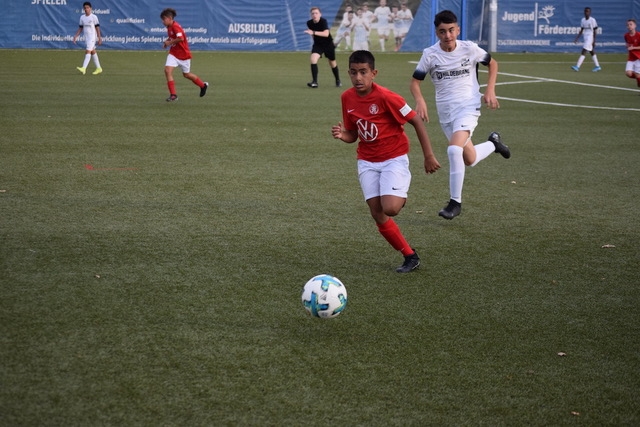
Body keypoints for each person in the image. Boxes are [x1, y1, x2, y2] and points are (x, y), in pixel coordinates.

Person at [331, 50, 440, 273]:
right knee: (377, 213)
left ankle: (398, 195)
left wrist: (428, 155)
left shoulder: (387, 97)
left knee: (390, 208)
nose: (358, 77)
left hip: (393, 159)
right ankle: (410, 256)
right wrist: (343, 135)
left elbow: (416, 121)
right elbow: (353, 134)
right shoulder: (347, 98)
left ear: (374, 73)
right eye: (353, 72)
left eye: (363, 72)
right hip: (367, 161)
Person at [409, 10, 511, 220]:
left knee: (454, 149)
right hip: (446, 113)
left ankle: (455, 202)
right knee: (469, 159)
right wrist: (420, 100)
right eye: (442, 31)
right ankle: (494, 144)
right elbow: (415, 82)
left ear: (458, 30)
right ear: (437, 33)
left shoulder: (469, 48)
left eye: (451, 30)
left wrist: (490, 89)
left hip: (468, 107)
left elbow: (492, 63)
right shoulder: (430, 54)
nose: (447, 35)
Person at [160, 8, 208, 102]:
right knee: (167, 70)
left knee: (186, 75)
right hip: (174, 53)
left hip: (183, 55)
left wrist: (170, 42)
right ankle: (173, 95)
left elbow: (181, 38)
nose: (162, 21)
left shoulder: (176, 26)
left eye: (164, 19)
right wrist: (167, 42)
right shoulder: (169, 27)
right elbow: (173, 37)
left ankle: (203, 85)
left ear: (169, 18)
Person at [305, 7, 342, 88]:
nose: (314, 15)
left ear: (320, 14)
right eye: (313, 13)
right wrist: (314, 38)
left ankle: (338, 80)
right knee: (313, 59)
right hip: (318, 44)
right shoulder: (309, 23)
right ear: (311, 15)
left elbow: (326, 34)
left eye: (316, 13)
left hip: (328, 44)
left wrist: (313, 32)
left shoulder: (323, 21)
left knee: (332, 63)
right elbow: (313, 35)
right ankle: (315, 82)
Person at [72, 2, 102, 75]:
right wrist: (76, 36)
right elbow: (80, 28)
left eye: (87, 8)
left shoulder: (94, 17)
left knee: (88, 51)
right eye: (85, 8)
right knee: (92, 51)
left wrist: (99, 37)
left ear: (90, 8)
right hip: (87, 37)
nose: (86, 9)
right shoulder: (82, 17)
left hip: (92, 37)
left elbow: (97, 28)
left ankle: (84, 68)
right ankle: (99, 68)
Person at [571, 7, 601, 72]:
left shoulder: (592, 20)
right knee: (591, 51)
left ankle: (577, 66)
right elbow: (581, 30)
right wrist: (576, 38)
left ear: (590, 12)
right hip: (585, 37)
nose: (586, 12)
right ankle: (597, 66)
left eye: (587, 11)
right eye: (585, 11)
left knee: (584, 50)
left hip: (590, 37)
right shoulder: (583, 20)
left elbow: (595, 31)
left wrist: (594, 41)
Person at [624, 18, 640, 89]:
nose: (629, 26)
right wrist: (627, 45)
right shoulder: (626, 35)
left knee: (637, 74)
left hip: (638, 58)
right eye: (628, 25)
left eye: (631, 24)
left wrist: (633, 48)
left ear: (635, 25)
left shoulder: (639, 35)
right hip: (631, 58)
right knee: (628, 73)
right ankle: (638, 78)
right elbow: (627, 43)